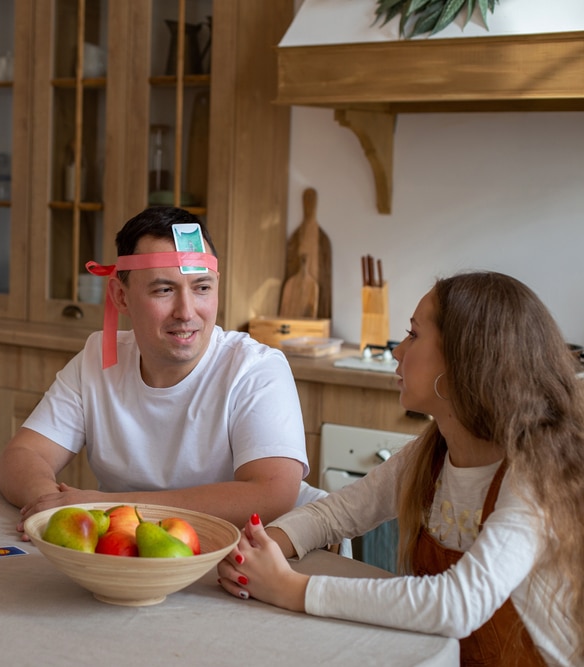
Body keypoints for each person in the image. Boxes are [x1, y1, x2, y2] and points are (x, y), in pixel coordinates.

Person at [218, 272, 584, 666]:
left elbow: (458, 604)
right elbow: (332, 515)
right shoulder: (428, 455)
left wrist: (290, 587)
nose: (397, 351)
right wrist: (262, 547)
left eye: (413, 335)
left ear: (465, 358)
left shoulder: (532, 473)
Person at [0, 207, 308, 529]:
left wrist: (104, 507)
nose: (187, 312)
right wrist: (56, 507)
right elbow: (21, 457)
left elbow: (272, 496)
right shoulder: (98, 360)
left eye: (202, 288)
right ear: (121, 296)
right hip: (129, 552)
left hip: (235, 560)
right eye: (164, 290)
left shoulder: (255, 369)